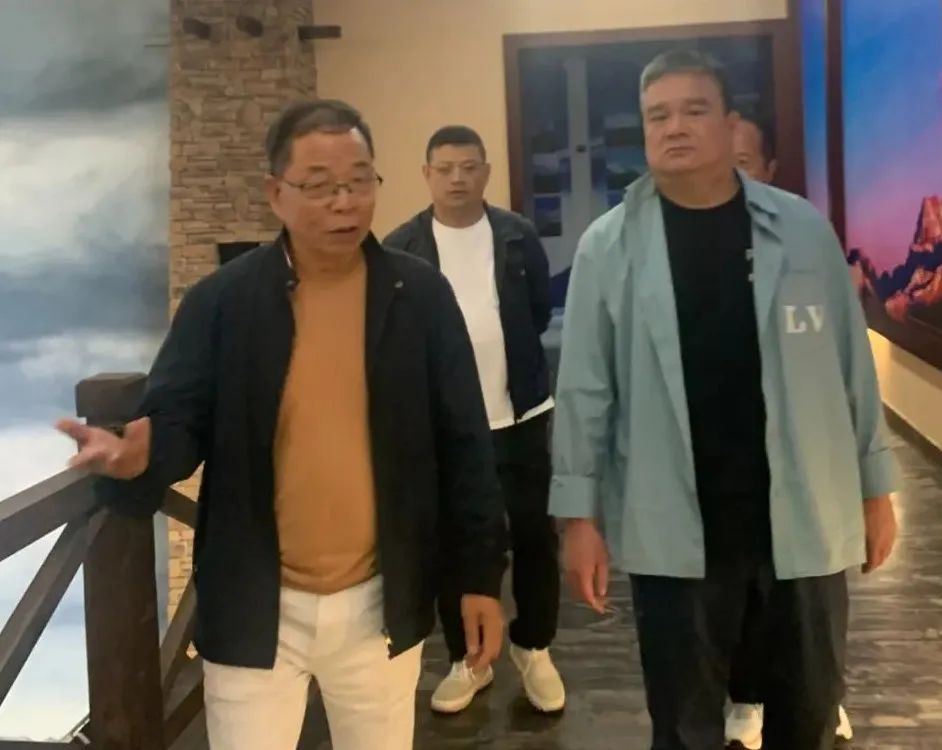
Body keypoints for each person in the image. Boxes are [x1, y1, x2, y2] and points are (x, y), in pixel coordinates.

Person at [56, 100, 508, 750]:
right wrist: (137, 460)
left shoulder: (419, 297)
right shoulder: (223, 302)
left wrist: (478, 579)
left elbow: (465, 445)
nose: (344, 203)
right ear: (276, 194)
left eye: (359, 181)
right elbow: (178, 423)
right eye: (320, 186)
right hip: (256, 603)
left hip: (378, 602)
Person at [550, 49, 899, 750]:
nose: (674, 127)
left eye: (693, 109)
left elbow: (849, 368)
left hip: (801, 517)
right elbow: (584, 390)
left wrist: (874, 487)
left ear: (729, 123)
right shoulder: (607, 248)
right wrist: (577, 519)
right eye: (657, 115)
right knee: (683, 726)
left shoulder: (800, 230)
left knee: (808, 714)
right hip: (673, 530)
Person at [384, 125, 565, 715]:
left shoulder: (517, 237)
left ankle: (533, 647)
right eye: (445, 168)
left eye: (468, 167)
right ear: (427, 175)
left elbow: (537, 313)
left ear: (486, 172)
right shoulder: (401, 248)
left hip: (520, 415)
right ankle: (468, 660)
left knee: (534, 537)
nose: (457, 178)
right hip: (445, 430)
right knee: (452, 547)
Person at [725, 114, 854, 748]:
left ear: (771, 169)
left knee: (811, 598)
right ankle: (746, 695)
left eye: (743, 162)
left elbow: (844, 362)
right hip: (731, 459)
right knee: (744, 591)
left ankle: (822, 695)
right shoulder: (690, 245)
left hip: (805, 459)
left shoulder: (804, 236)